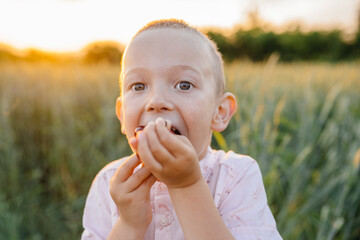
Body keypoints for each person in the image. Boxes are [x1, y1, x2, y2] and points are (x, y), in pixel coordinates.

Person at [81, 19, 282, 240]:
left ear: (220, 112)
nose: (156, 101)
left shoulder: (236, 176)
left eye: (184, 85)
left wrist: (187, 185)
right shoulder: (108, 183)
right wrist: (129, 223)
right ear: (121, 115)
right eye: (138, 86)